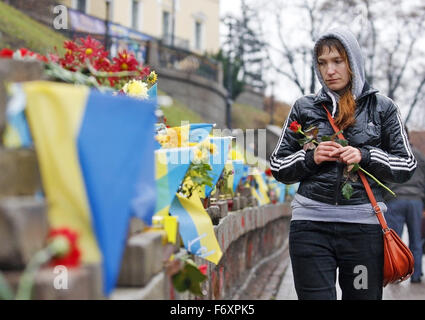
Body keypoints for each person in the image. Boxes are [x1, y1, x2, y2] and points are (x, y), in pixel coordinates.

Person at [270, 28, 417, 300]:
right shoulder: (304, 107)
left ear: (353, 62)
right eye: (322, 63)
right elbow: (278, 165)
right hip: (310, 228)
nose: (330, 70)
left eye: (337, 61)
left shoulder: (383, 108)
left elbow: (407, 165)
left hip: (362, 233)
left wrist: (366, 155)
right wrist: (310, 158)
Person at [384, 129, 425, 283]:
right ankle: (416, 275)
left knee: (394, 240)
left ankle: (397, 274)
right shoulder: (420, 156)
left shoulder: (390, 155)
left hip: (395, 200)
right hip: (416, 201)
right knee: (416, 239)